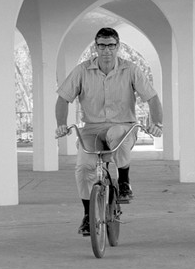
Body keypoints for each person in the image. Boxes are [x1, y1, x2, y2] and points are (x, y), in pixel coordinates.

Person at [55, 27, 163, 236]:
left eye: (111, 45)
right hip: (92, 129)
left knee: (116, 134)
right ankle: (88, 215)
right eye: (102, 45)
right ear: (96, 47)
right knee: (84, 168)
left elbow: (151, 97)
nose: (106, 50)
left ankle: (124, 181)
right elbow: (63, 98)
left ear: (118, 47)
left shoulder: (130, 70)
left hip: (122, 125)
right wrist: (60, 124)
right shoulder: (82, 70)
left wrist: (157, 123)